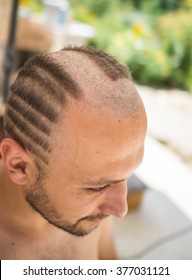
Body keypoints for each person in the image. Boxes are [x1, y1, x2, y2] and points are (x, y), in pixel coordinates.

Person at [0, 46, 147, 260]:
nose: (120, 209)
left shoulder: (91, 209)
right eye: (97, 187)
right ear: (19, 165)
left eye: (127, 175)